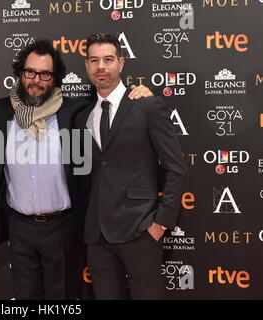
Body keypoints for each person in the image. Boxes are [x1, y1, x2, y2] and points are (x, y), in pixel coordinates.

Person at [0, 39, 153, 299]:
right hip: (19, 226)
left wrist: (139, 94)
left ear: (55, 78)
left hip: (62, 227)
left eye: (45, 74)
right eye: (30, 72)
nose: (36, 80)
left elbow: (113, 103)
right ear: (20, 73)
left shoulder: (76, 111)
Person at [75, 33, 186, 300]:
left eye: (108, 59)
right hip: (96, 233)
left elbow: (175, 168)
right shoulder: (83, 115)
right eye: (94, 60)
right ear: (87, 66)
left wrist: (160, 223)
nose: (101, 66)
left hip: (139, 228)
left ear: (121, 63)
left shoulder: (147, 106)